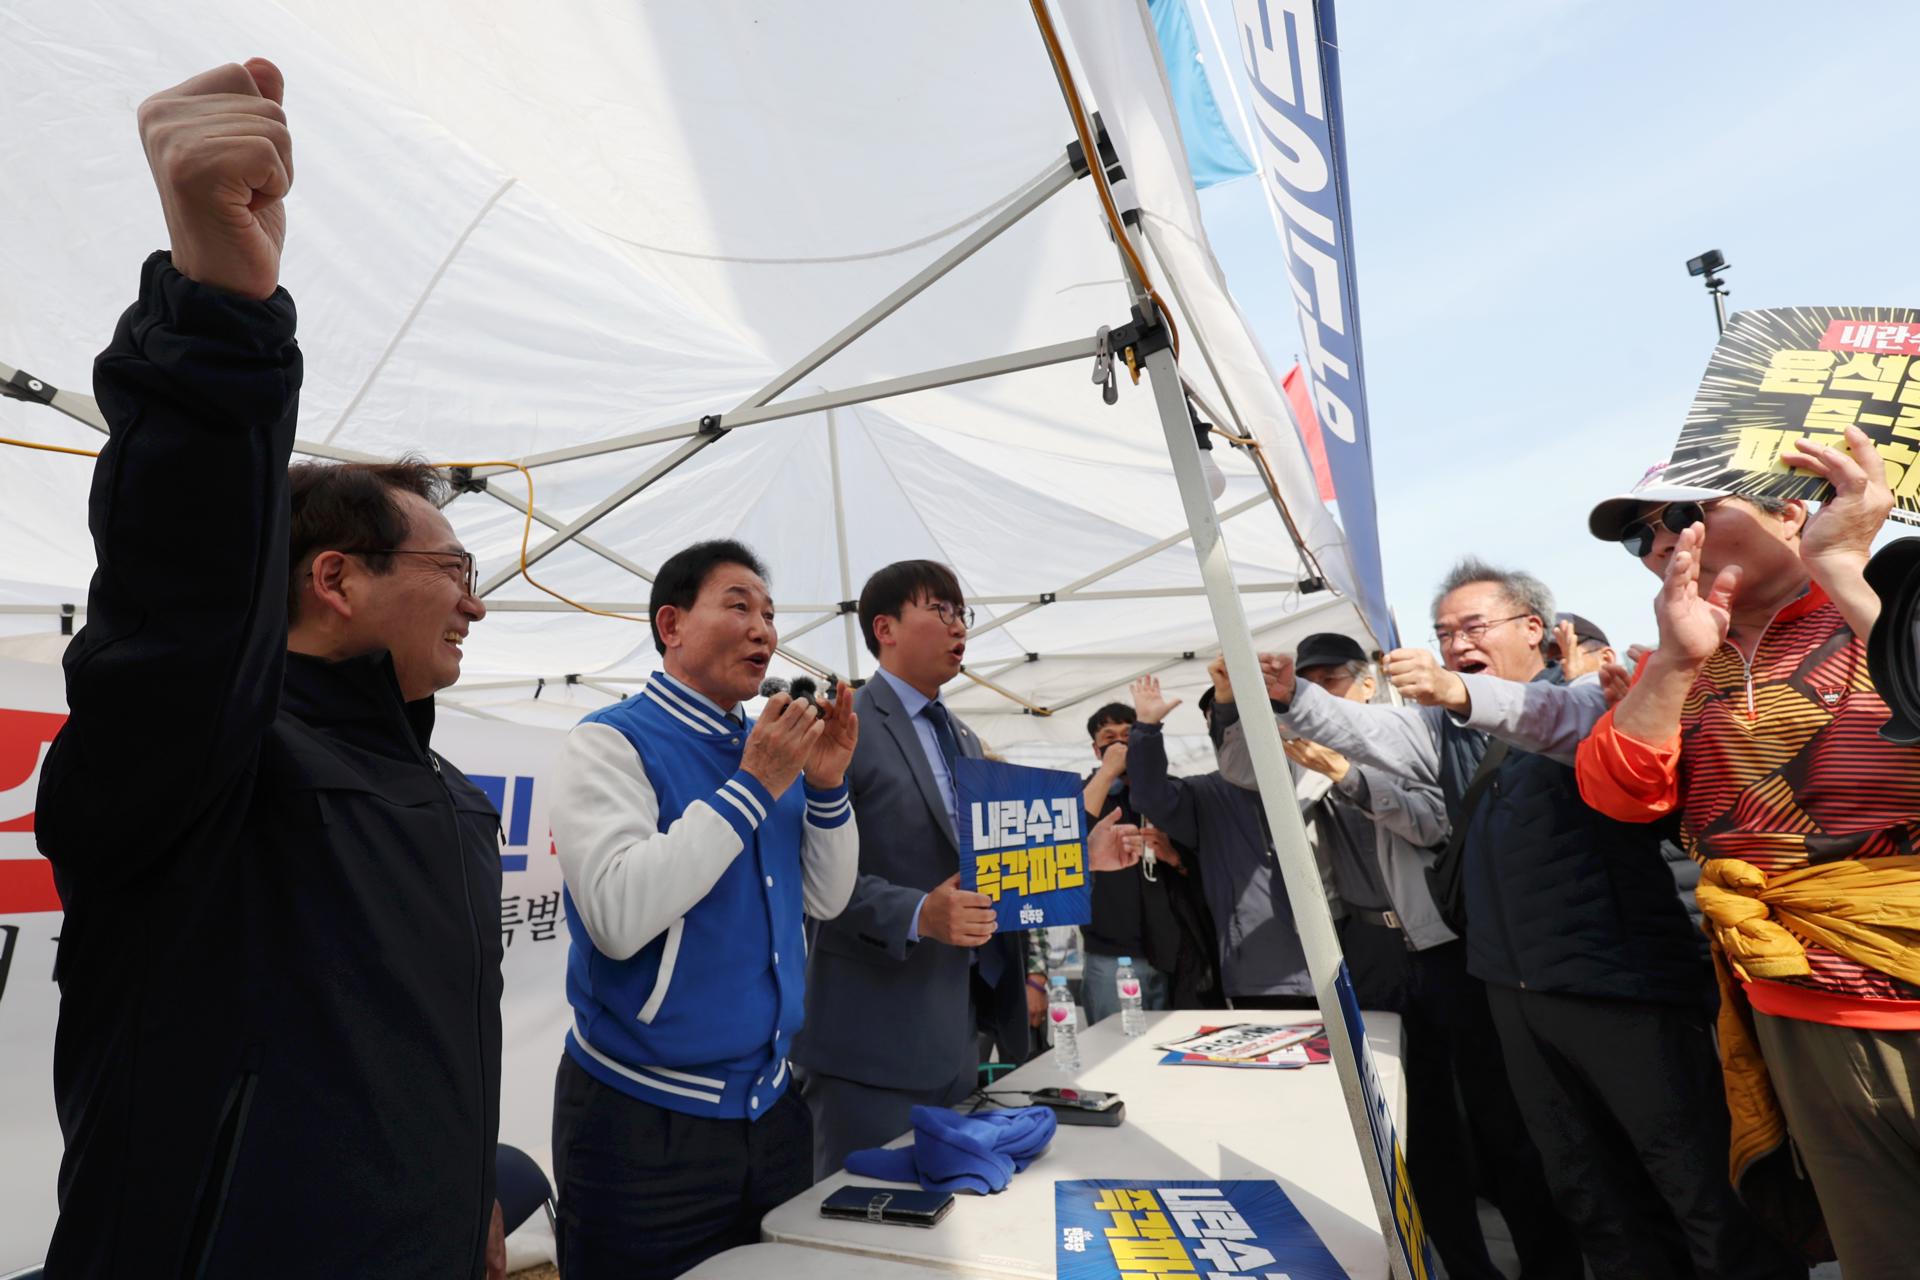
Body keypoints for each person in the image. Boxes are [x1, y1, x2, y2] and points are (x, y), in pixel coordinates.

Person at [35, 59, 507, 1278]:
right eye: (454, 569)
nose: (477, 603)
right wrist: (221, 323)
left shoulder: (454, 803)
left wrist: (470, 1205)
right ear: (337, 577)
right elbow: (175, 620)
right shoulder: (209, 771)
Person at [1252, 560, 1800, 1280]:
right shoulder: (1439, 729)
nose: (1454, 643)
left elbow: (1565, 727)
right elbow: (1363, 729)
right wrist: (1291, 695)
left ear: (1535, 629)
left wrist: (1459, 691)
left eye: (1473, 626)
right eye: (1444, 633)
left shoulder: (1590, 698)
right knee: (1590, 1191)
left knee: (1691, 1175)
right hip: (1514, 993)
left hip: (1620, 984)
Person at [1576, 443, 1920, 1276]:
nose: (1662, 545)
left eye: (1685, 515)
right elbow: (1619, 793)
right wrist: (1677, 662)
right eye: (1641, 537)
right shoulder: (1680, 656)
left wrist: (1841, 569)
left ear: (1792, 510)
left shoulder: (1895, 596)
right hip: (1796, 1006)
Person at [1212, 638, 1582, 1280]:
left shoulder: (1413, 733)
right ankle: (1465, 1267)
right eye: (1308, 682)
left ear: (1365, 684)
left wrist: (1349, 776)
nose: (1319, 692)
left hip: (1446, 946)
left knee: (1500, 1113)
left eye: (1332, 679)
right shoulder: (1303, 751)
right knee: (1412, 1123)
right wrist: (1231, 698)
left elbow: (1435, 825)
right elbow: (1243, 772)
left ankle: (1551, 1263)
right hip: (1367, 947)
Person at [548, 540, 860, 1279]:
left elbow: (828, 896)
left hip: (774, 1110)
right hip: (641, 1122)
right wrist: (755, 785)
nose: (763, 629)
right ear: (672, 624)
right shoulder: (610, 740)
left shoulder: (766, 748)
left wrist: (827, 784)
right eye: (739, 605)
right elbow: (619, 917)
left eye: (771, 614)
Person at [794, 560, 1141, 1178]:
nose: (959, 628)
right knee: (858, 1220)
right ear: (886, 628)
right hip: (870, 1041)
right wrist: (918, 913)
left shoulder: (961, 736)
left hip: (964, 1029)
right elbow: (808, 873)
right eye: (940, 610)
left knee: (946, 1218)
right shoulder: (842, 728)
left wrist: (1080, 858)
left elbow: (992, 871)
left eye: (963, 614)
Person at [1124, 675, 1315, 1009]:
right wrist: (1147, 729)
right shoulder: (1204, 794)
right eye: (1223, 719)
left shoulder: (1318, 772)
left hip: (1349, 956)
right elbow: (1150, 797)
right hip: (1263, 975)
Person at [1080, 702, 1218, 1018]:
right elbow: (1063, 846)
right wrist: (1107, 774)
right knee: (1112, 1052)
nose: (1119, 743)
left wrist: (1174, 858)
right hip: (1111, 956)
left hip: (1175, 954)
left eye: (1129, 734)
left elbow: (1206, 866)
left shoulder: (1173, 794)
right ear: (1096, 748)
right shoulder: (1086, 794)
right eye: (1109, 736)